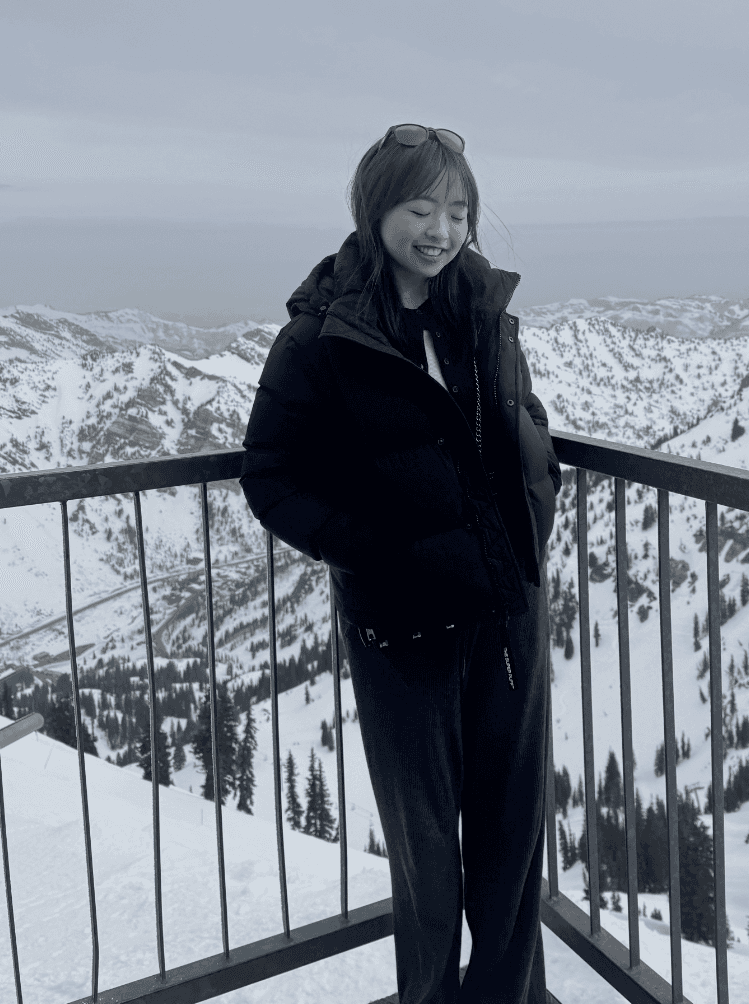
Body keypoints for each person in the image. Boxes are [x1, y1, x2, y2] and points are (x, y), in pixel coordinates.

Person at [240, 123, 561, 1004]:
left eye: (459, 210)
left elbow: (524, 417)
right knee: (426, 849)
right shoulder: (321, 340)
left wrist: (539, 495)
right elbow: (271, 476)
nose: (443, 228)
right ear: (375, 209)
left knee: (511, 829)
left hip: (506, 611)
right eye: (422, 207)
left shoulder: (484, 313)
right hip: (403, 621)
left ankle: (510, 995)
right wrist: (369, 547)